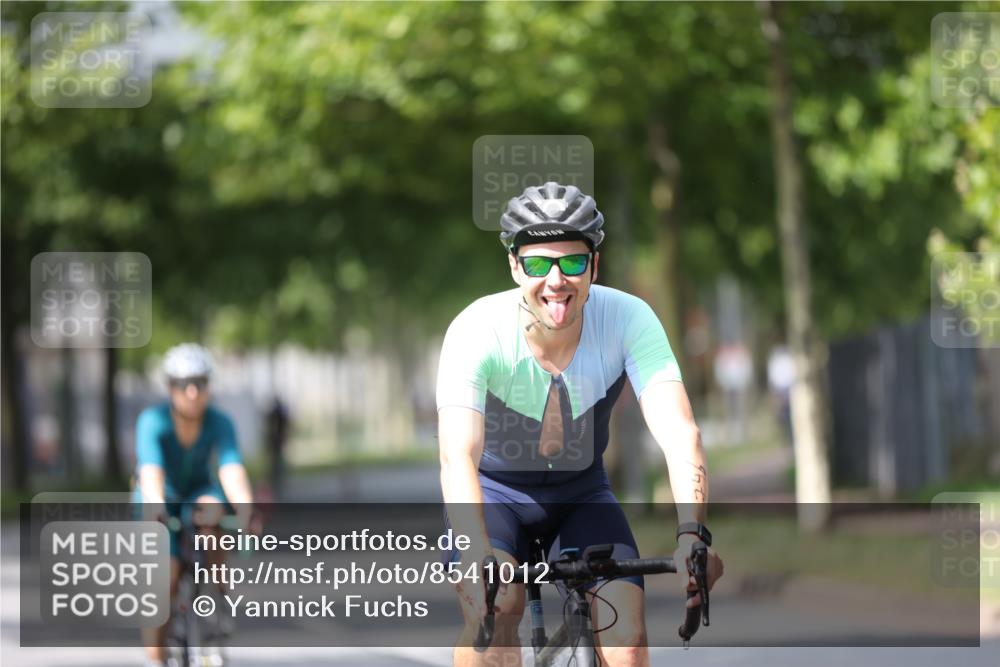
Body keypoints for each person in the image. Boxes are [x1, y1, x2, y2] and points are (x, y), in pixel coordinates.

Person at [437, 182, 724, 667]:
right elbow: (456, 455)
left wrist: (691, 534)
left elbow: (680, 433)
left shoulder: (629, 319)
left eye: (572, 262)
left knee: (628, 640)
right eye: (537, 264)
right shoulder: (477, 329)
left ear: (595, 264)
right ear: (513, 265)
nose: (555, 281)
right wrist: (476, 553)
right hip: (495, 495)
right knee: (498, 606)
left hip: (581, 495)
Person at [133, 343, 255, 667]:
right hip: (160, 495)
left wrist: (245, 507)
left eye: (199, 383)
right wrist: (156, 508)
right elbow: (151, 473)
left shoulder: (219, 422)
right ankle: (156, 659)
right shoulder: (153, 421)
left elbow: (231, 469)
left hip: (198, 491)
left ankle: (218, 594)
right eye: (181, 384)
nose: (191, 392)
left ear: (208, 386)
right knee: (164, 581)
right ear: (170, 387)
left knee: (212, 512)